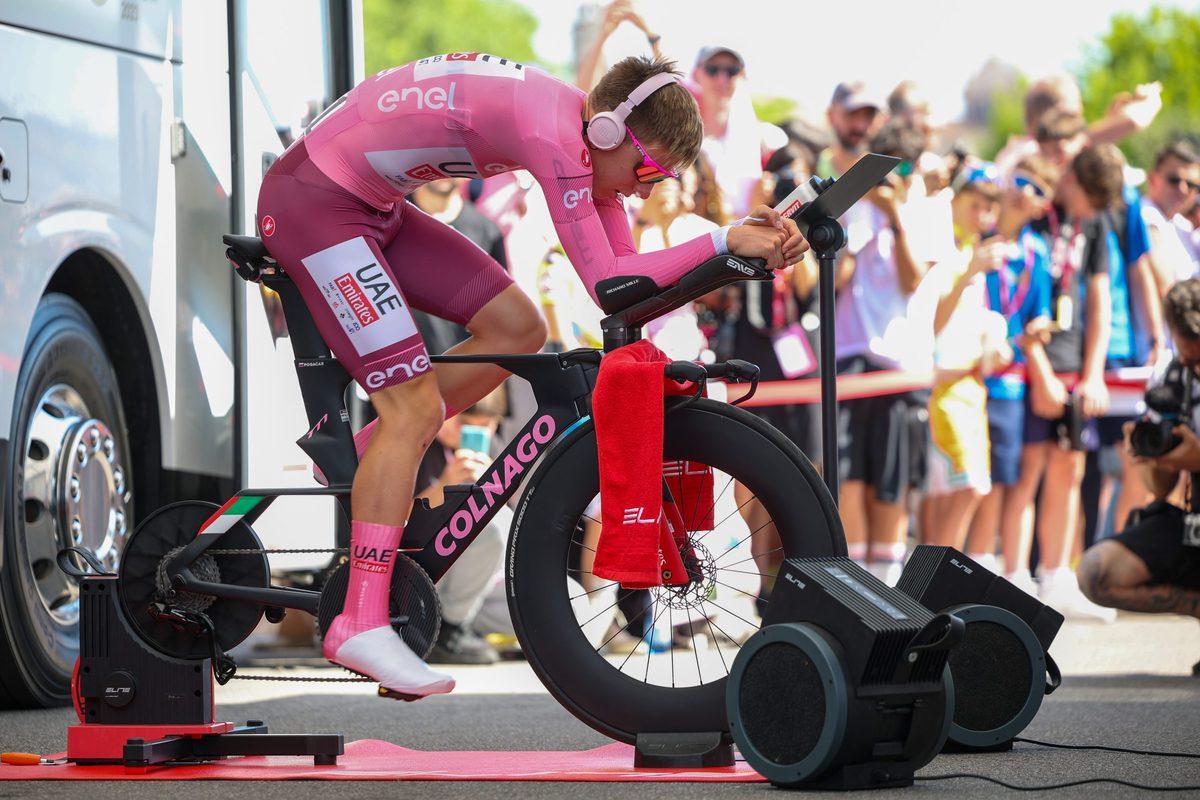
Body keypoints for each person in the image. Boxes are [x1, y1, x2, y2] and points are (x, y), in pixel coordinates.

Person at [254, 53, 807, 699]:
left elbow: (626, 271)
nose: (646, 190)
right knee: (410, 408)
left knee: (519, 331)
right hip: (315, 204)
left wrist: (730, 248)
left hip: (373, 206)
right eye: (647, 170)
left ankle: (366, 454)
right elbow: (610, 283)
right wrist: (722, 242)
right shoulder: (555, 135)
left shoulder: (590, 131)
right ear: (605, 134)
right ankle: (359, 619)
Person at [1003, 143, 1122, 618]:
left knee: (1070, 470)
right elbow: (1014, 295)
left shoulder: (1093, 223)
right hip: (1030, 361)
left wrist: (1094, 372)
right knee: (1027, 472)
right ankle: (1014, 577)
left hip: (1075, 363)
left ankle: (1058, 577)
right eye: (1091, 198)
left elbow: (1099, 299)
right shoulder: (1034, 210)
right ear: (1072, 181)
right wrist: (1040, 370)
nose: (1092, 211)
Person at [834, 120, 954, 584]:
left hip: (900, 367)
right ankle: (853, 584)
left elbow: (910, 280)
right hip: (850, 358)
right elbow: (837, 278)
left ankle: (884, 585)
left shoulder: (928, 212)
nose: (888, 180)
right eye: (879, 169)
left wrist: (897, 214)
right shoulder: (856, 209)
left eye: (897, 169)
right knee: (849, 479)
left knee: (890, 481)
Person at [1078, 278, 1200, 630]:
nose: (1195, 365)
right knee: (1096, 573)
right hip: (1192, 525)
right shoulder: (1171, 375)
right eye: (1189, 355)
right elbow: (1161, 489)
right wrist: (1156, 457)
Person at [962, 158, 1057, 572]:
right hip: (969, 375)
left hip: (1011, 381)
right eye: (1019, 180)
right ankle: (965, 567)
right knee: (971, 483)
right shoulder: (980, 236)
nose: (1023, 192)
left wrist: (1040, 328)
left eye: (1035, 188)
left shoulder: (1038, 252)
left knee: (1001, 478)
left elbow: (1042, 314)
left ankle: (987, 566)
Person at [923, 163, 1012, 550]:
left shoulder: (972, 252)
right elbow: (933, 321)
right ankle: (931, 583)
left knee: (957, 490)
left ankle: (930, 582)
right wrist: (968, 272)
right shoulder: (941, 249)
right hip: (942, 386)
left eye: (990, 207)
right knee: (966, 486)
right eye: (976, 205)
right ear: (955, 201)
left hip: (971, 387)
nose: (983, 216)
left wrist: (995, 339)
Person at [414, 394, 509, 664]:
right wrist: (443, 486)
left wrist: (494, 485)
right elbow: (400, 520)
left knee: (573, 607)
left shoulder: (495, 450)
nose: (474, 433)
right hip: (425, 574)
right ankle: (447, 630)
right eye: (465, 423)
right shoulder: (418, 446)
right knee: (491, 528)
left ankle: (455, 624)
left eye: (485, 426)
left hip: (474, 588)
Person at [817, 80, 888, 179]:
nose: (860, 126)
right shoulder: (809, 167)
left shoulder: (885, 175)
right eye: (851, 114)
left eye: (869, 115)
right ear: (831, 115)